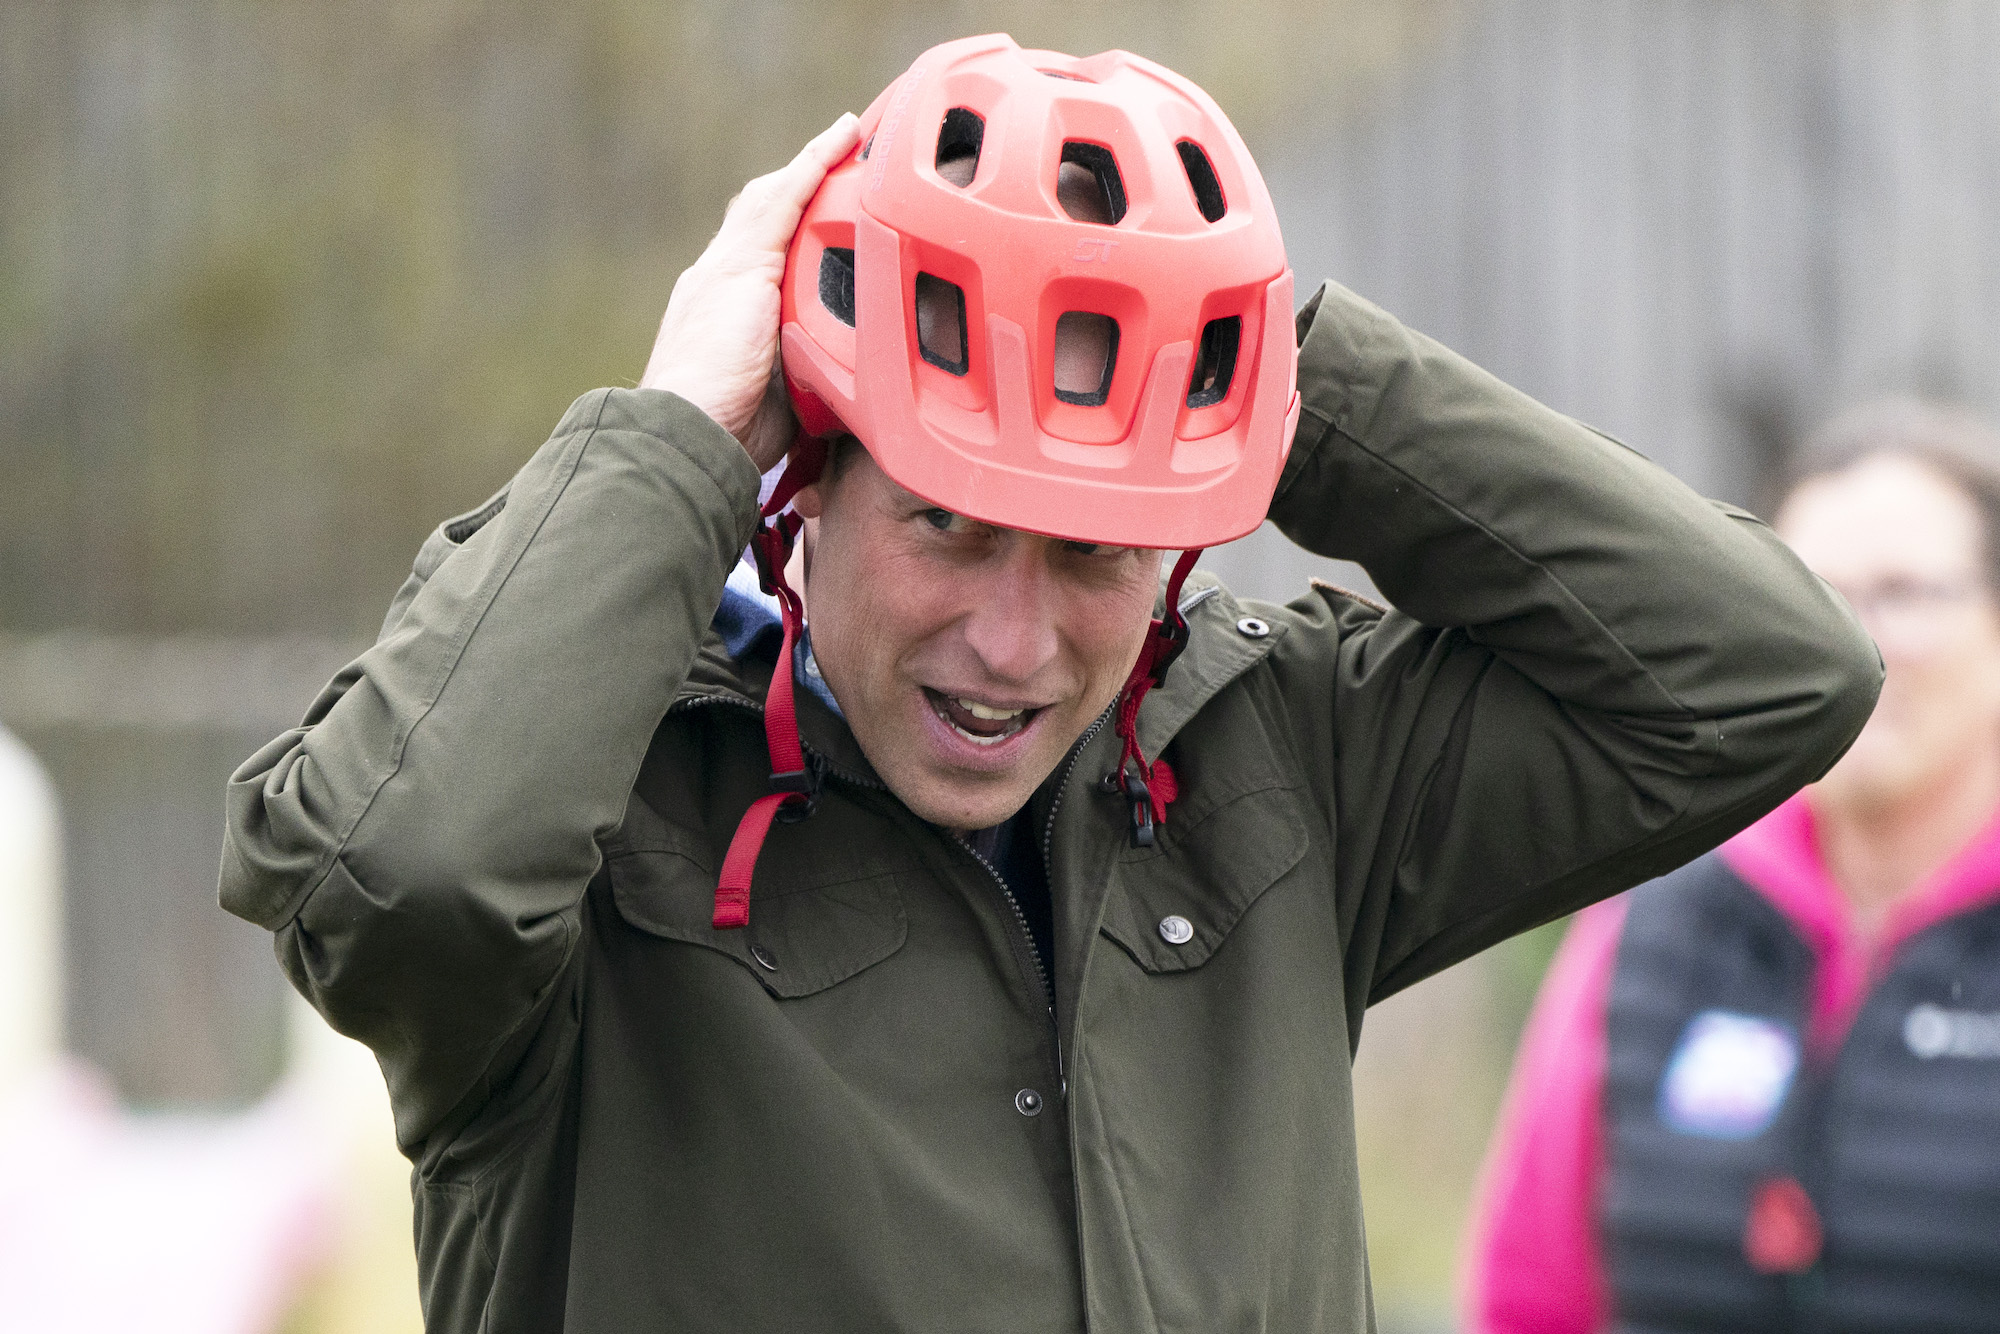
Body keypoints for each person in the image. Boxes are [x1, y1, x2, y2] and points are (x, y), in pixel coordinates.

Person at [219, 34, 1879, 1334]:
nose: (1015, 643)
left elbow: (1761, 673)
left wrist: (1276, 368)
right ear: (798, 480)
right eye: (949, 525)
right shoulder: (607, 804)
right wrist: (667, 439)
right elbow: (398, 875)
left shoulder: (1281, 762)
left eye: (1097, 552)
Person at [1464, 400, 2000, 1334]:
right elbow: (1532, 1293)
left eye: (1907, 594)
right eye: (1811, 597)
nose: (1857, 644)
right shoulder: (1656, 912)